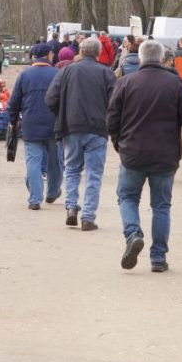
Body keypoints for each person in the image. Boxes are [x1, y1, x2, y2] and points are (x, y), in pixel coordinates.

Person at [107, 40, 182, 272]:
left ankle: (133, 233)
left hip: (132, 153)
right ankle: (158, 258)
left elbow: (112, 119)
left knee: (127, 198)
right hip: (165, 155)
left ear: (140, 58)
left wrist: (119, 145)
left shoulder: (125, 83)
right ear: (163, 59)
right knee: (161, 206)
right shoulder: (176, 84)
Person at [45, 37, 116, 231]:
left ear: (81, 52)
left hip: (71, 127)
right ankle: (88, 217)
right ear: (99, 53)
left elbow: (51, 98)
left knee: (72, 169)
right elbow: (116, 103)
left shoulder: (67, 71)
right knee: (94, 174)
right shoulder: (106, 73)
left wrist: (63, 113)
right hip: (97, 129)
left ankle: (71, 208)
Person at [8, 43, 63, 210]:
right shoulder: (58, 74)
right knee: (56, 161)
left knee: (33, 161)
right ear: (48, 55)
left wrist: (13, 119)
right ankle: (53, 192)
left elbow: (14, 101)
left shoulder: (24, 75)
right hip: (54, 124)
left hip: (31, 123)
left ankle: (34, 199)